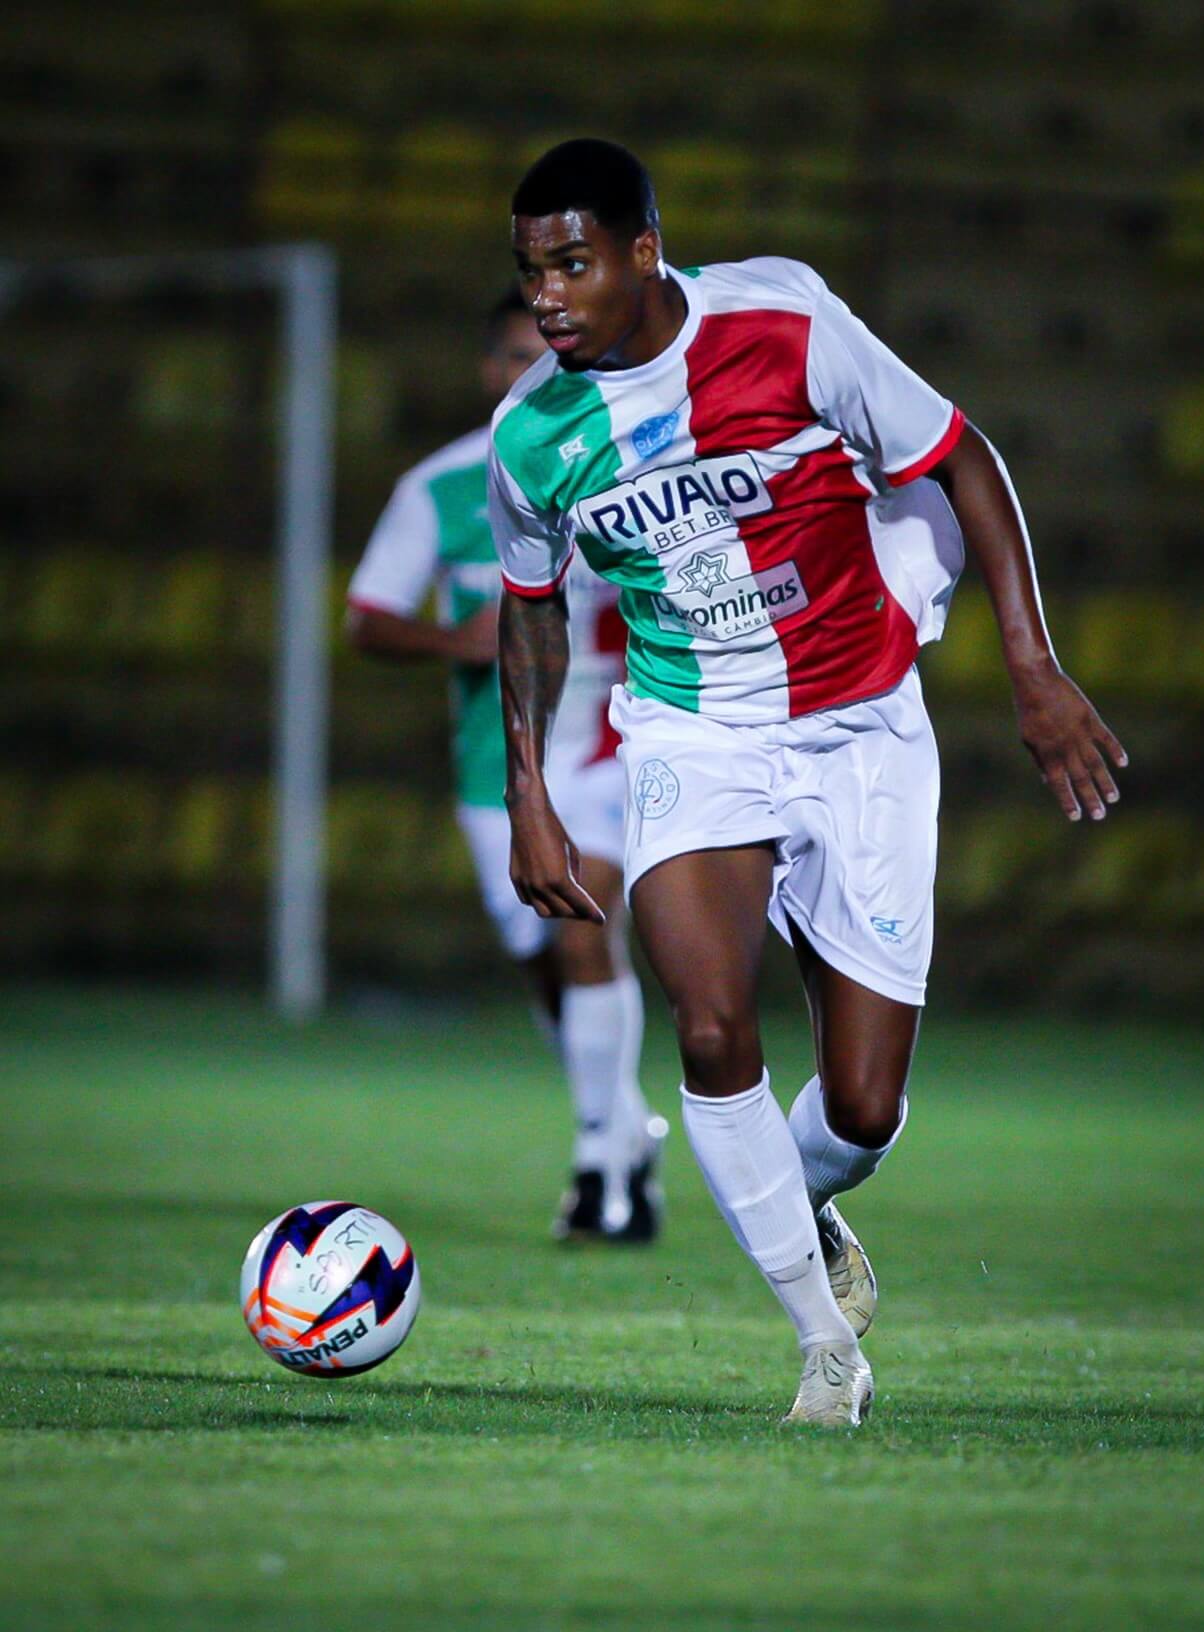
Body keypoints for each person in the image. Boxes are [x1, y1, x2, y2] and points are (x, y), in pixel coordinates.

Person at [488, 139, 1128, 1426]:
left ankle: (811, 1194)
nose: (546, 297)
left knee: (864, 1105)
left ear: (644, 251)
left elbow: (961, 455)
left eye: (572, 264)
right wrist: (532, 792)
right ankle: (826, 1348)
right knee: (712, 1025)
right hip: (693, 733)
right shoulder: (532, 435)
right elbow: (531, 606)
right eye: (530, 272)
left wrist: (1032, 665)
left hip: (859, 726)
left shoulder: (781, 320)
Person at [346, 290, 666, 1243]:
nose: (539, 367)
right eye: (520, 353)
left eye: (554, 349)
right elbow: (367, 619)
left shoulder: (627, 459)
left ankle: (602, 1166)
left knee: (584, 931)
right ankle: (623, 1129)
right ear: (492, 369)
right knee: (547, 969)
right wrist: (458, 643)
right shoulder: (437, 489)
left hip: (615, 743)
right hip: (502, 763)